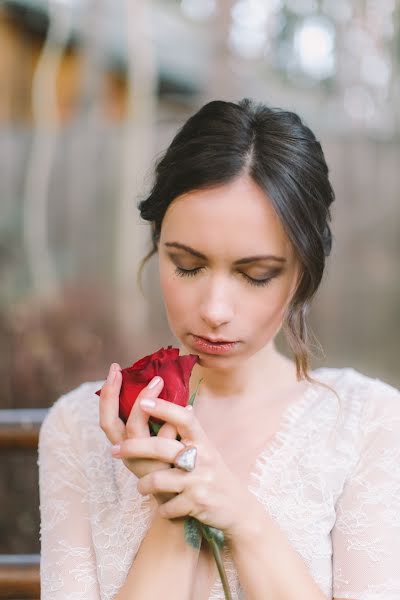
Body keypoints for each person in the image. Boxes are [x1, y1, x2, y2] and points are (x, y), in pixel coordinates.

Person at [38, 98, 400, 600]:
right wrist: (174, 500)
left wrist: (242, 518)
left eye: (255, 275)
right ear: (157, 244)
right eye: (187, 265)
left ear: (303, 272)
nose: (214, 309)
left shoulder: (368, 423)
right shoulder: (77, 428)